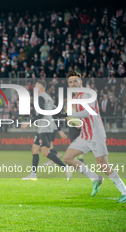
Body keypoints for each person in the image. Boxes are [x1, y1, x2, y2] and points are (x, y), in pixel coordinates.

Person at [58, 71, 126, 203]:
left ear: (80, 82)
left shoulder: (88, 93)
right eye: (70, 82)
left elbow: (87, 112)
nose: (73, 83)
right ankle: (95, 178)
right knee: (67, 158)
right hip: (85, 134)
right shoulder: (74, 99)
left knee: (102, 164)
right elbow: (77, 121)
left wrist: (68, 113)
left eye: (75, 80)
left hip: (95, 133)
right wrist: (69, 119)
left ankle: (124, 191)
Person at [21, 80, 71, 181]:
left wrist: (28, 123)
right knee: (34, 149)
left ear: (40, 88)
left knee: (44, 152)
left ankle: (65, 167)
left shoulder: (40, 98)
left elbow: (40, 114)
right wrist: (60, 129)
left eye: (35, 86)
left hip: (44, 128)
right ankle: (33, 175)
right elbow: (56, 112)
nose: (34, 88)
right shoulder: (48, 98)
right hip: (45, 128)